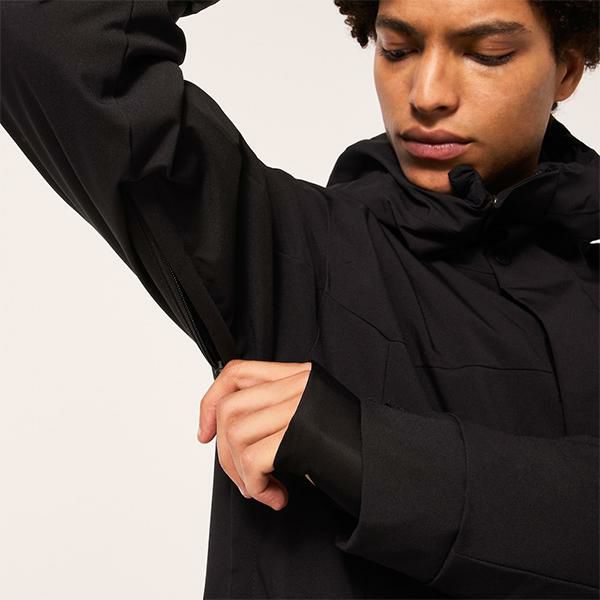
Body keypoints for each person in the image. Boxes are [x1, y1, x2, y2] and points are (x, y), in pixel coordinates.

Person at [1, 0, 598, 598]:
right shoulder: (290, 250)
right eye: (397, 49)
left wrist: (362, 450)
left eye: (486, 55)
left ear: (567, 70)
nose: (427, 94)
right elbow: (39, 23)